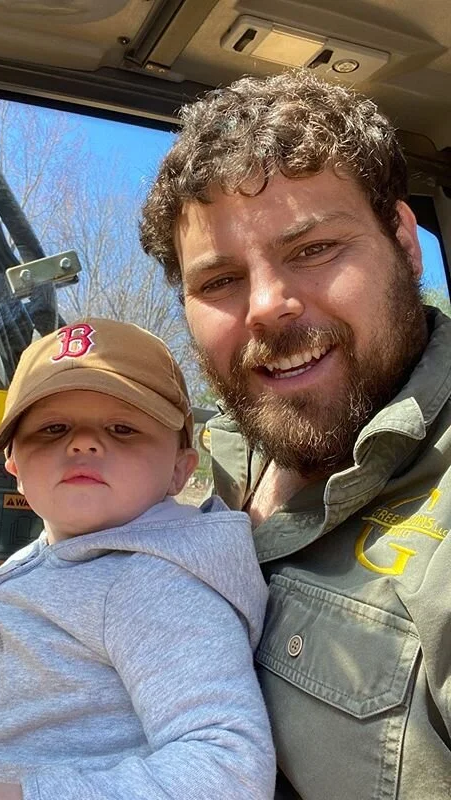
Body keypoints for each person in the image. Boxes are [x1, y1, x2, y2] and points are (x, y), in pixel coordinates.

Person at [139, 69, 451, 799]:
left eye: (313, 250)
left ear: (403, 240)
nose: (268, 308)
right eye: (219, 282)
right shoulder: (183, 473)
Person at [0, 318, 274, 800]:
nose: (82, 442)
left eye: (123, 427)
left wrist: (28, 795)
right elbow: (60, 664)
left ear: (178, 469)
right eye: (53, 427)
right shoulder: (65, 553)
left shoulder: (156, 586)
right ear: (16, 469)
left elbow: (227, 770)